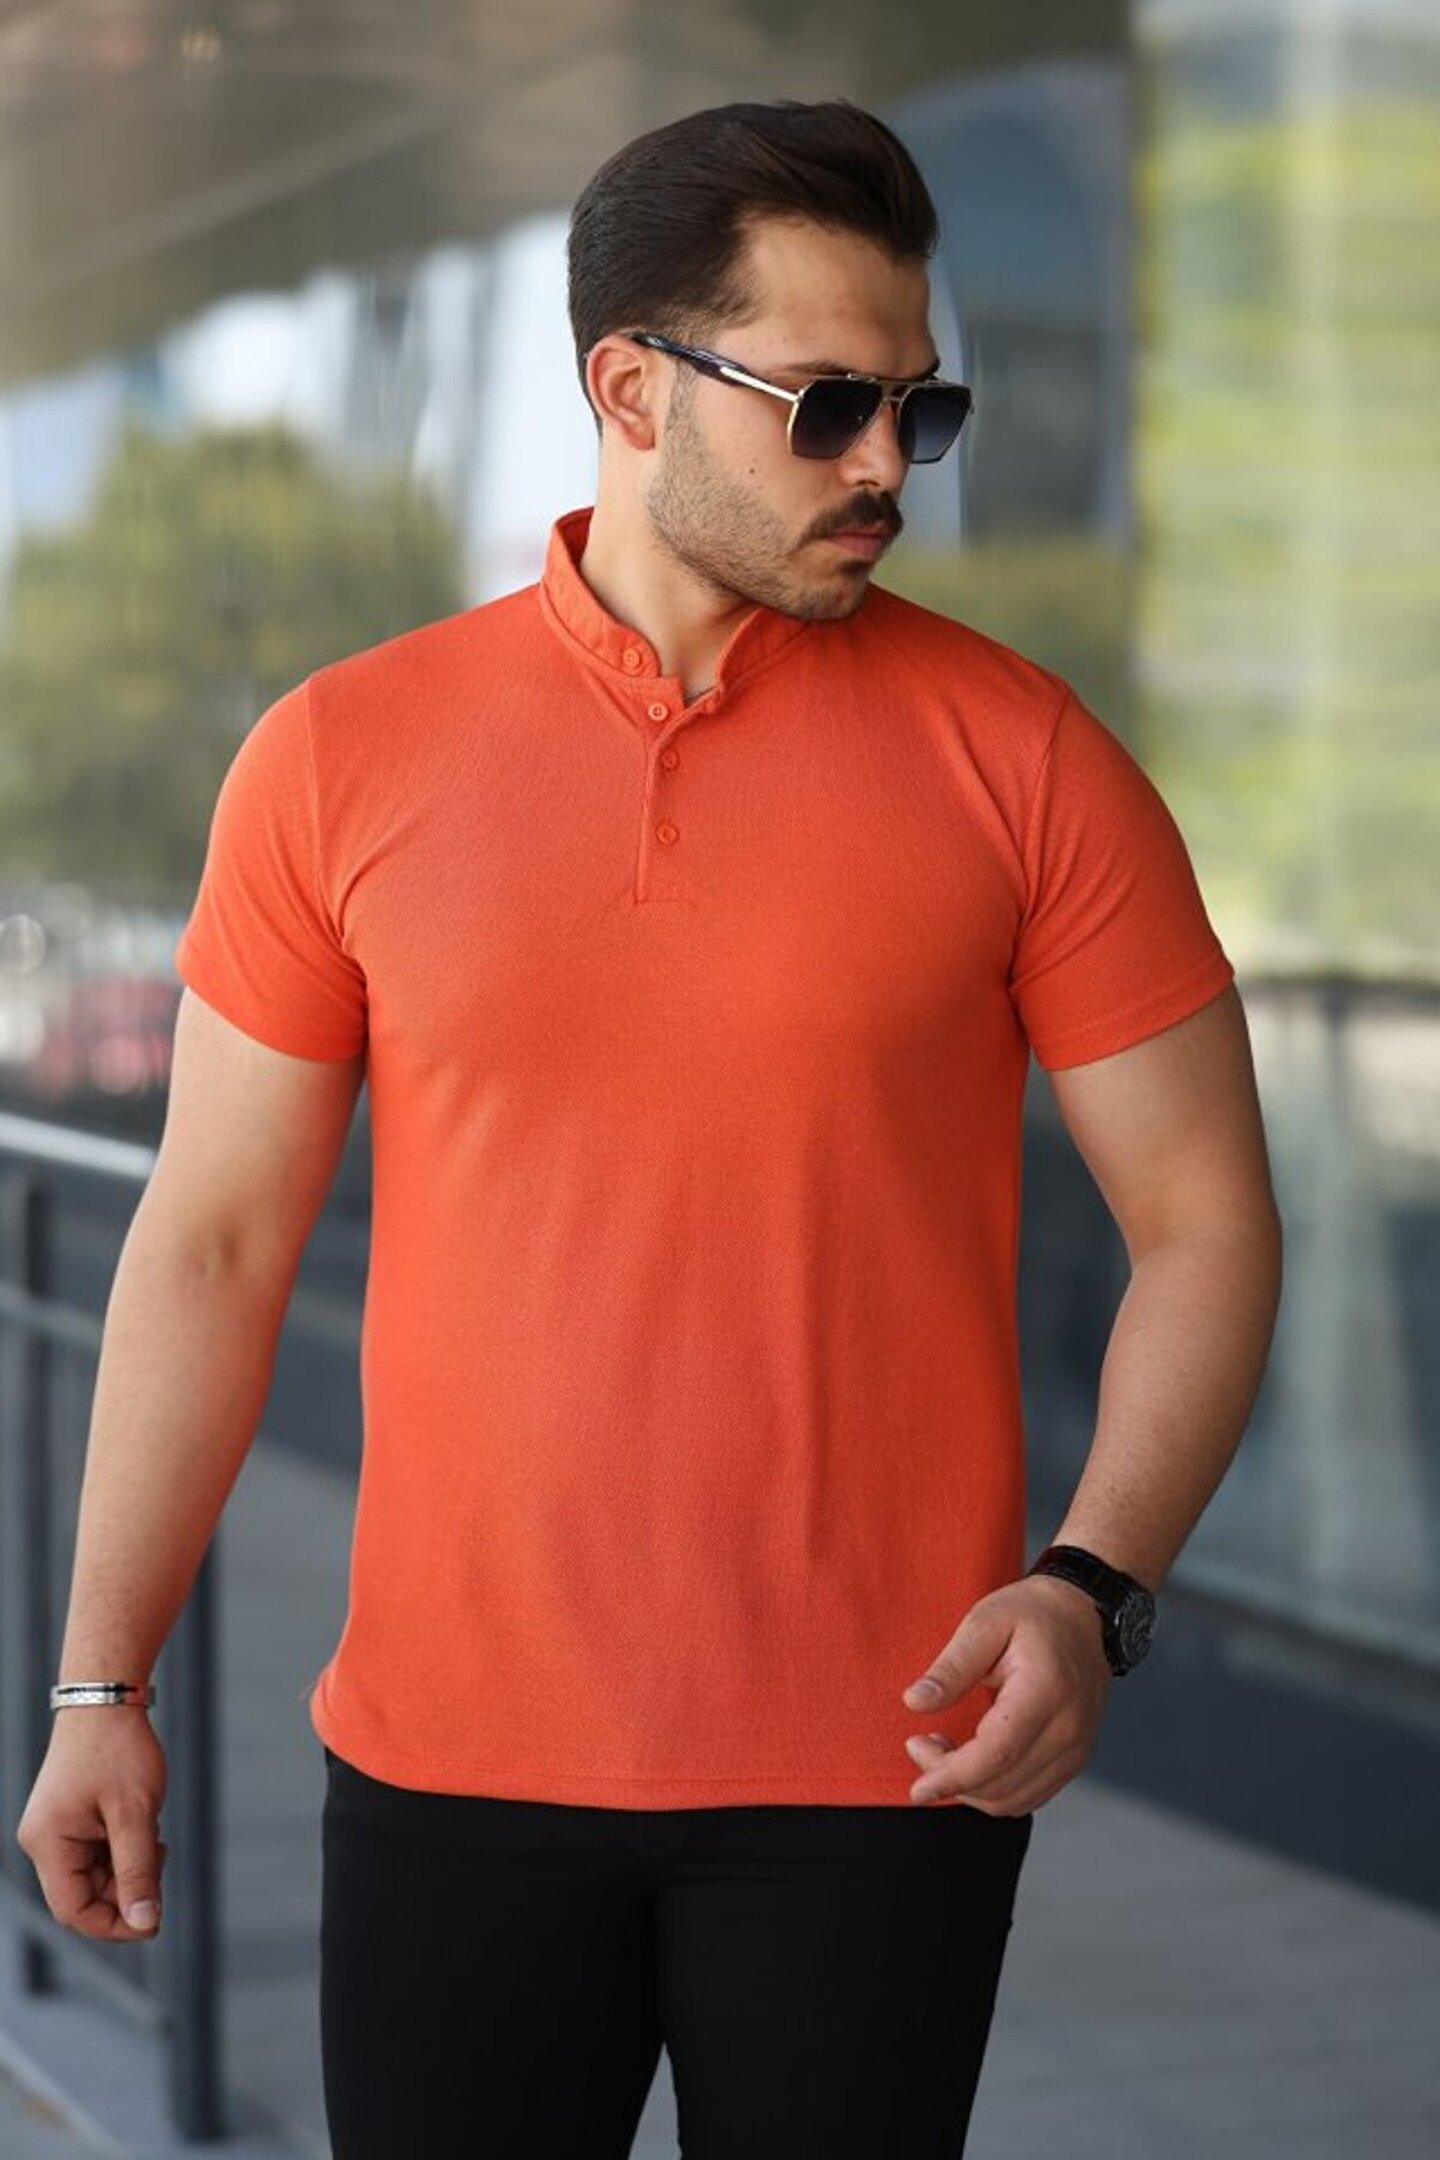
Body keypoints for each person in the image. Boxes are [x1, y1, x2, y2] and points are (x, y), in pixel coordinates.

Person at [14, 97, 1282, 2159]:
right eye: (830, 403)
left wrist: (1092, 1584)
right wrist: (102, 1685)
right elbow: (216, 1241)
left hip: (887, 1773)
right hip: (446, 1772)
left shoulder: (1029, 759)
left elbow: (1208, 1220)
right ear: (629, 389)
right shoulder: (337, 758)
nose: (886, 465)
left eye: (921, 408)